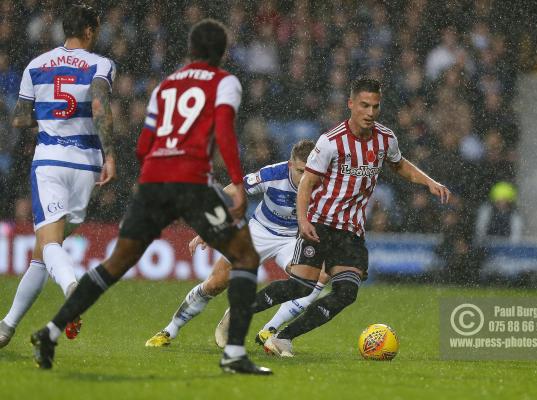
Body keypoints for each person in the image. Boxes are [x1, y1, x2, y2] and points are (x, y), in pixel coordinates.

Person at [31, 19, 271, 375]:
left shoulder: (165, 87)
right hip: (192, 181)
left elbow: (144, 145)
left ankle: (51, 330)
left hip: (153, 180)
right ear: (221, 53)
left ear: (190, 50)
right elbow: (223, 131)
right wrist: (235, 183)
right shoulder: (226, 82)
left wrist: (158, 186)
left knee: (115, 265)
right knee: (246, 256)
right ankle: (234, 353)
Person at [241, 78, 450, 357]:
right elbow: (306, 184)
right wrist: (303, 221)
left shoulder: (385, 139)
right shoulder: (330, 141)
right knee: (299, 287)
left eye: (375, 106)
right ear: (351, 104)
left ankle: (283, 338)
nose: (370, 112)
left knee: (346, 293)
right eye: (364, 105)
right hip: (319, 224)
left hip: (350, 231)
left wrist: (428, 182)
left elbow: (400, 165)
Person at [1, 4, 116, 348]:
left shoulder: (36, 66)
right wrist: (109, 154)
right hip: (87, 166)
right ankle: (6, 326)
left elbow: (20, 119)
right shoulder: (101, 64)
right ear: (91, 31)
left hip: (50, 160)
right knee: (43, 251)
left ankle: (72, 291)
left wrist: (50, 118)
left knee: (49, 244)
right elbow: (98, 105)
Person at [145, 140, 329, 348]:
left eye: (310, 171)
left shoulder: (325, 182)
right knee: (215, 284)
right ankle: (170, 330)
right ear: (289, 165)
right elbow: (232, 191)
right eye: (299, 171)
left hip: (295, 238)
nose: (305, 177)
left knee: (313, 278)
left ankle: (270, 329)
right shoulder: (272, 174)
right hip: (259, 232)